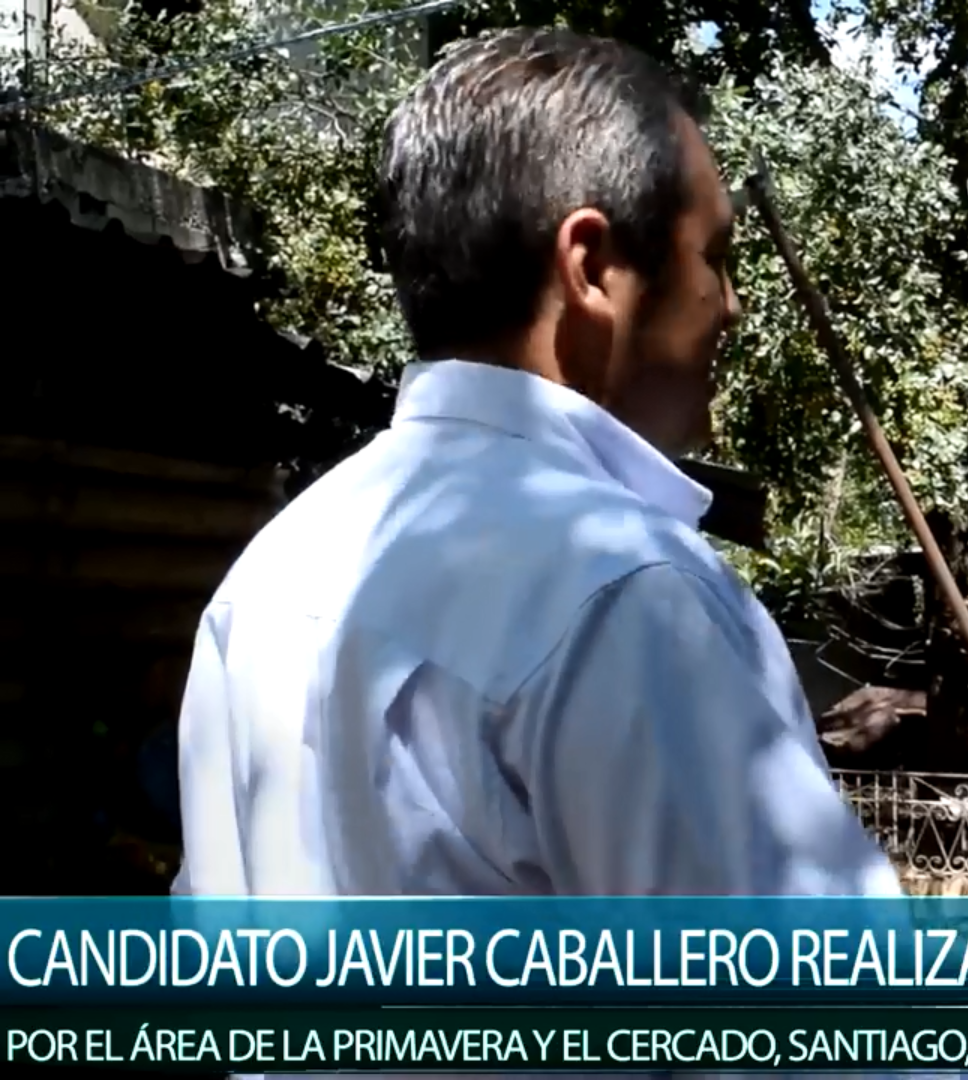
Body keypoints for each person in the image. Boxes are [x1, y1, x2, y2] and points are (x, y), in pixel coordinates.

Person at [173, 27, 900, 901]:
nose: (731, 307)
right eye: (715, 258)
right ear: (591, 268)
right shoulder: (629, 597)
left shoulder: (267, 579)